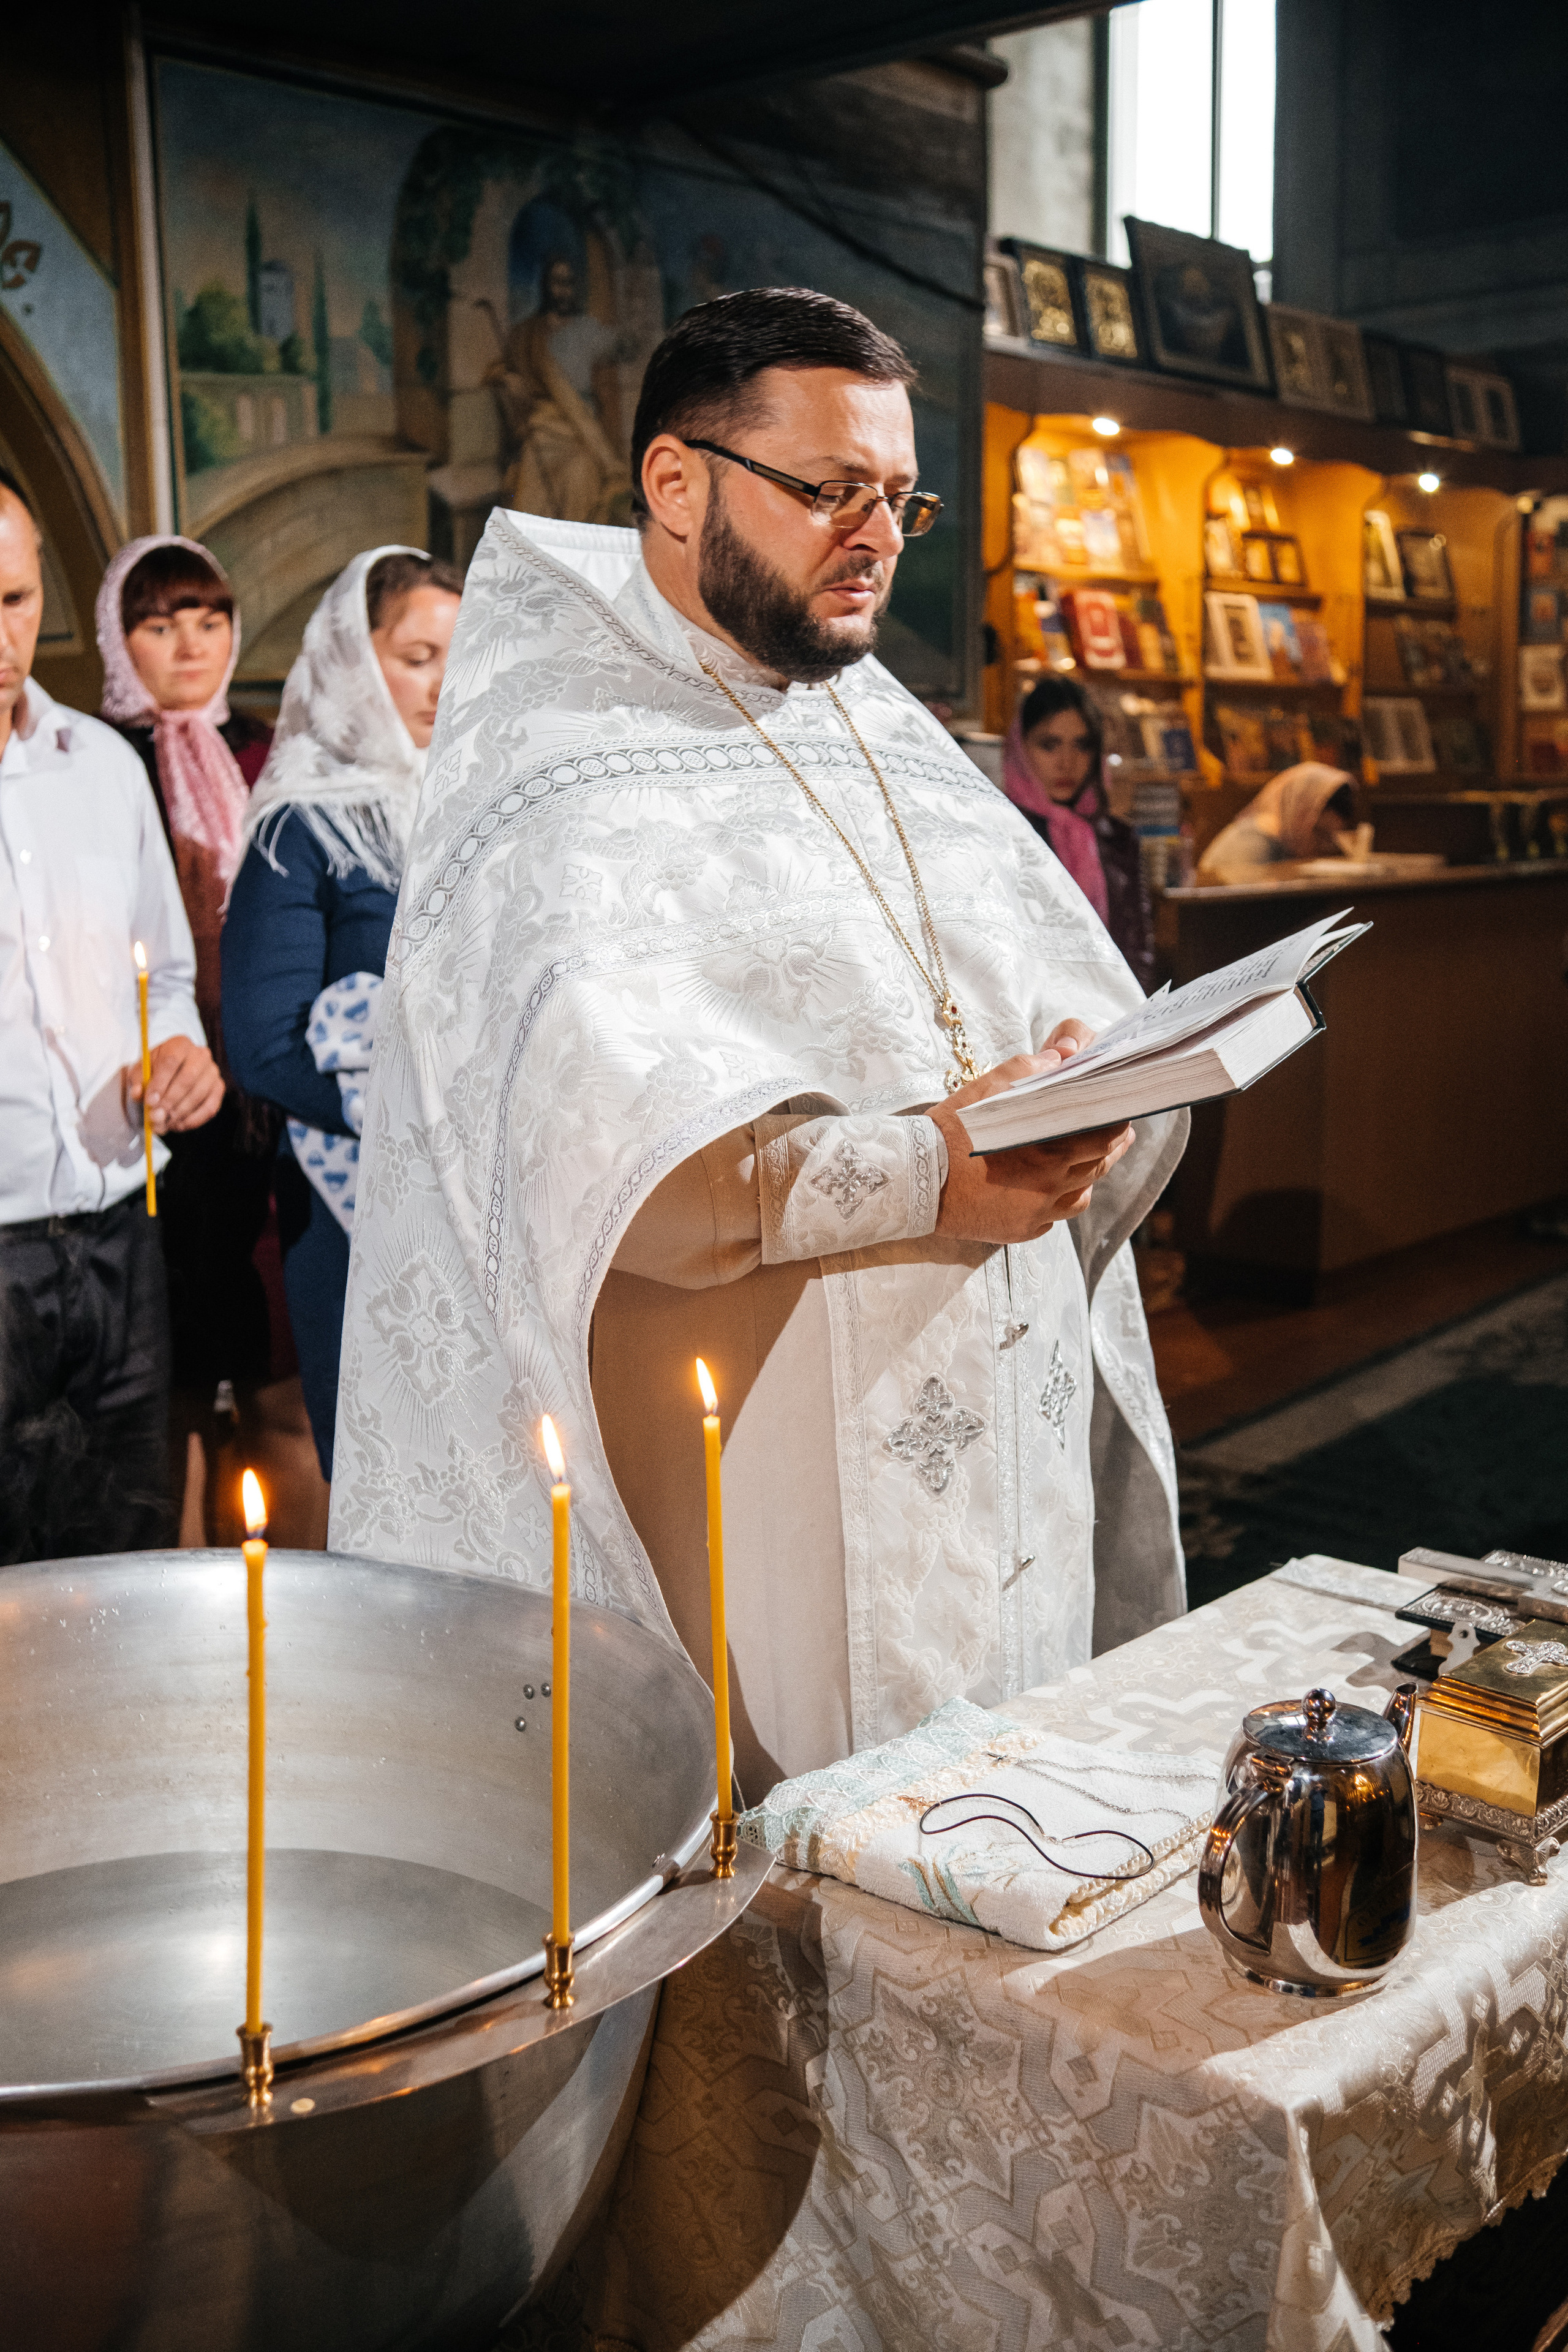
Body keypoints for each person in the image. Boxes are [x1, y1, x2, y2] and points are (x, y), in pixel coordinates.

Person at [331, 289, 1189, 1801]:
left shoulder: (872, 719)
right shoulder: (562, 773)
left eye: (896, 497)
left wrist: (1081, 1074)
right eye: (825, 490)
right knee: (835, 1874)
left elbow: (1014, 985)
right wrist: (930, 1170)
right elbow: (612, 1174)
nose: (873, 534)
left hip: (996, 1409)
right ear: (676, 484)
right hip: (780, 1450)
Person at [0, 469, 221, 1561]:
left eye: (14, 601)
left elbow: (166, 978)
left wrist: (175, 1054)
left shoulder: (98, 769)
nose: (1, 634)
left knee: (124, 1560)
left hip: (122, 1232)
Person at [222, 546, 462, 1479]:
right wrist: (426, 1117)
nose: (444, 683)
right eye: (416, 657)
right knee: (390, 1491)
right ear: (354, 660)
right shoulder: (303, 824)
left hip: (480, 1219)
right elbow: (267, 1045)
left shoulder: (474, 806)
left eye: (458, 653)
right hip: (356, 1221)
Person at [97, 536, 277, 1504]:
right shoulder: (97, 758)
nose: (190, 645)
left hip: (265, 1099)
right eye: (160, 625)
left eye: (209, 619)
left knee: (269, 1376)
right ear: (119, 639)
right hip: (154, 1100)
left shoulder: (267, 747)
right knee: (165, 1383)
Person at [1001, 673, 1155, 990]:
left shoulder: (1119, 838)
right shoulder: (1003, 834)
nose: (1067, 763)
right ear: (1021, 747)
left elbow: (1140, 955)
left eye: (1081, 746)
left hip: (1116, 1016)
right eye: (1050, 745)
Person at [1198, 763, 1355, 878]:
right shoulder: (1254, 844)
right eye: (1319, 834)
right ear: (1299, 808)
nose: (1323, 847)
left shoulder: (1286, 840)